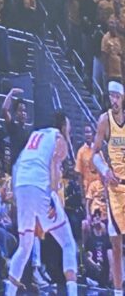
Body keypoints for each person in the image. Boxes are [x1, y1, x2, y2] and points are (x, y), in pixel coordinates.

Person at [6, 112, 77, 296]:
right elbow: (53, 173)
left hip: (21, 185)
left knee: (25, 246)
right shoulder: (59, 138)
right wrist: (52, 194)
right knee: (68, 243)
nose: (70, 130)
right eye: (69, 126)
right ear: (62, 125)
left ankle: (9, 293)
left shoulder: (35, 134)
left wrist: (17, 199)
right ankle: (73, 292)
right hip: (39, 186)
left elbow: (16, 166)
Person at [91, 79, 125, 296]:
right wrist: (105, 170)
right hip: (114, 190)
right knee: (116, 245)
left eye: (116, 96)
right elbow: (94, 153)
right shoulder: (104, 120)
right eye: (110, 96)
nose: (113, 100)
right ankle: (117, 291)